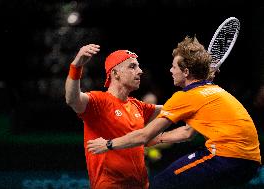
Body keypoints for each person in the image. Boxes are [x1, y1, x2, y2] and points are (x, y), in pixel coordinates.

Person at [87, 36, 262, 189]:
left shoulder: (185, 96)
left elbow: (144, 135)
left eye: (174, 67)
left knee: (160, 185)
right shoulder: (212, 90)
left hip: (225, 159)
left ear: (186, 72)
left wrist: (108, 145)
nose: (170, 70)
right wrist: (159, 139)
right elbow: (187, 132)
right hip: (250, 163)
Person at [65, 44, 162, 189]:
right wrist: (76, 66)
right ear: (115, 73)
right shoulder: (98, 102)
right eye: (132, 66)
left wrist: (199, 90)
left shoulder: (138, 106)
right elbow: (72, 99)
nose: (140, 71)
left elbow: (175, 109)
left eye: (139, 66)